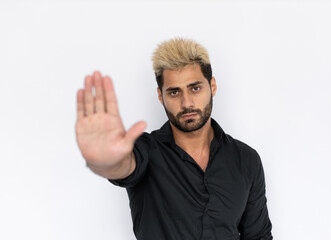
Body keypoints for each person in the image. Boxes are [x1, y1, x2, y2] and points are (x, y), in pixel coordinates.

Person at [75, 37, 273, 240]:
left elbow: (258, 236)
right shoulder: (146, 151)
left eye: (195, 88)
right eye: (174, 92)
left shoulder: (246, 159)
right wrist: (108, 159)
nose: (187, 103)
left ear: (212, 86)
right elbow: (124, 167)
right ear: (161, 96)